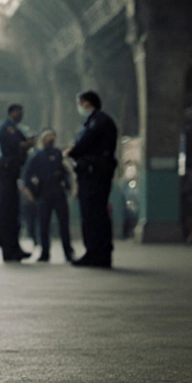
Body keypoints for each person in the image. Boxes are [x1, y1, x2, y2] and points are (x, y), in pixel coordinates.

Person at [67, 91, 118, 268]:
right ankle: (93, 252)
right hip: (90, 174)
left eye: (80, 103)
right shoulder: (93, 121)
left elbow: (84, 144)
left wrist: (72, 151)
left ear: (88, 103)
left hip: (95, 174)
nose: (79, 107)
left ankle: (100, 254)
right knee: (90, 215)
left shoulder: (99, 121)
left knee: (95, 214)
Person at [21, 129, 75, 262]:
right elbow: (27, 176)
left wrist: (69, 186)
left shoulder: (53, 154)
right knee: (48, 224)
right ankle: (51, 252)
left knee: (57, 224)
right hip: (48, 192)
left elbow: (66, 172)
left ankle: (60, 251)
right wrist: (31, 192)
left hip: (54, 192)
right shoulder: (41, 156)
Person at [0, 103, 37, 262]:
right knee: (8, 212)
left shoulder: (15, 127)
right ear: (12, 112)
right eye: (19, 112)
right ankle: (9, 249)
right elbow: (17, 144)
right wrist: (28, 144)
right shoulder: (8, 127)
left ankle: (14, 248)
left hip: (13, 173)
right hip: (7, 173)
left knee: (13, 213)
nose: (21, 115)